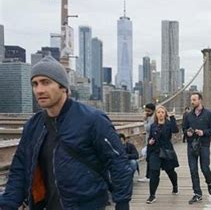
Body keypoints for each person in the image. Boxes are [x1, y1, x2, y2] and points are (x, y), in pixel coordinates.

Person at [0, 56, 133, 210]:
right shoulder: (33, 125)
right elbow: (20, 168)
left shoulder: (92, 120)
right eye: (35, 84)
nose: (39, 90)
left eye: (46, 82)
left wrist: (122, 203)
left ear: (63, 86)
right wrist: (8, 204)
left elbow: (118, 162)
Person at [183, 92, 211, 204]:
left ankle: (209, 182)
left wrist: (203, 132)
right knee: (193, 170)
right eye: (191, 100)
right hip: (191, 145)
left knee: (204, 168)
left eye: (194, 100)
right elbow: (184, 128)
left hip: (204, 145)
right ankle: (197, 193)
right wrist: (187, 133)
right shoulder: (188, 115)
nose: (192, 102)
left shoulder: (209, 114)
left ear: (200, 100)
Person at [145, 105, 180, 204]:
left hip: (166, 151)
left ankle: (175, 185)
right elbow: (150, 138)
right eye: (158, 112)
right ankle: (152, 195)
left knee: (170, 171)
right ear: (156, 114)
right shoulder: (153, 125)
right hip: (155, 151)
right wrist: (150, 141)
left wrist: (172, 117)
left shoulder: (169, 124)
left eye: (162, 112)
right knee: (154, 172)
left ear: (165, 114)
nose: (160, 114)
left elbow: (175, 130)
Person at [138, 103, 155, 183]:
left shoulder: (152, 118)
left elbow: (147, 128)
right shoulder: (152, 117)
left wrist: (144, 120)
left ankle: (149, 176)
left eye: (148, 111)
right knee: (150, 159)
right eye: (146, 111)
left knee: (149, 159)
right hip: (151, 140)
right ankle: (150, 175)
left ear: (152, 110)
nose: (146, 112)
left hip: (151, 141)